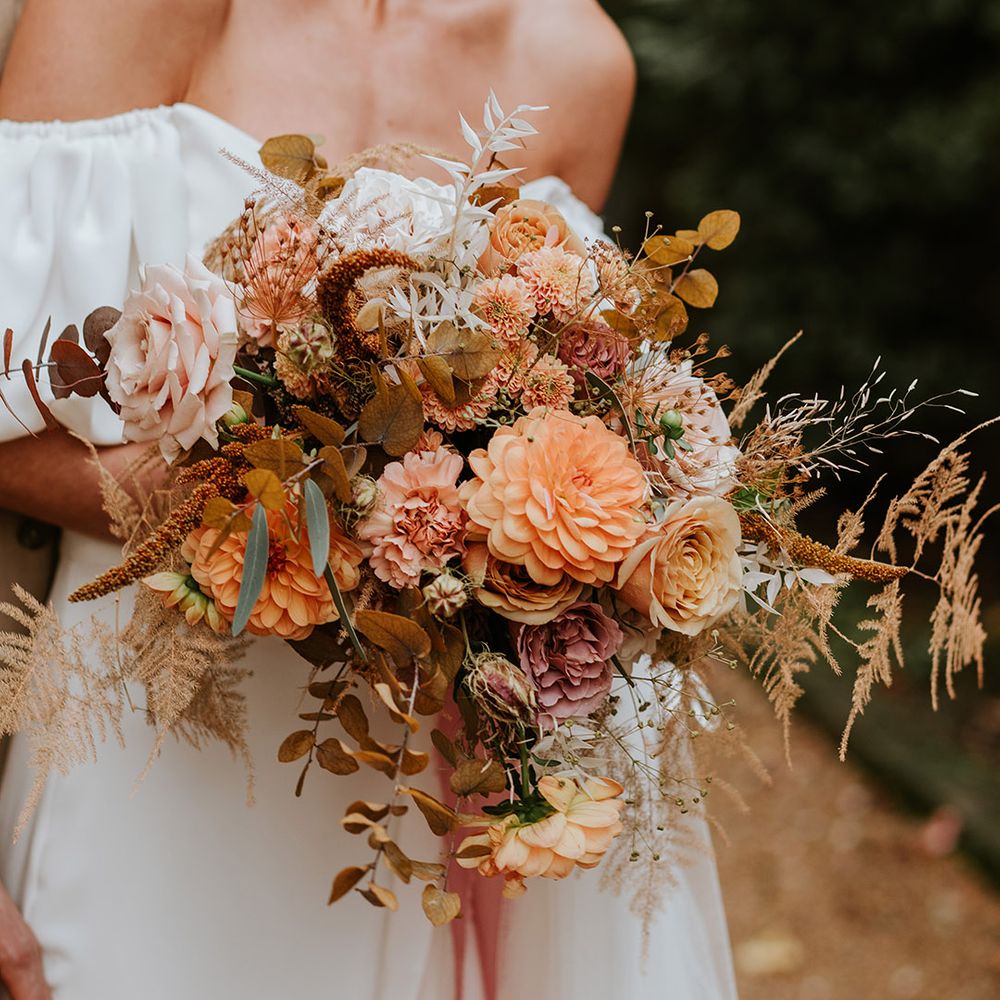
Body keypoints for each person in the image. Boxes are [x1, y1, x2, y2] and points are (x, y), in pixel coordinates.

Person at [0, 2, 739, 997]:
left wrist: (535, 530)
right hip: (144, 732)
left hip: (411, 789)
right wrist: (310, 512)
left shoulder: (578, 61)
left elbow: (556, 396)